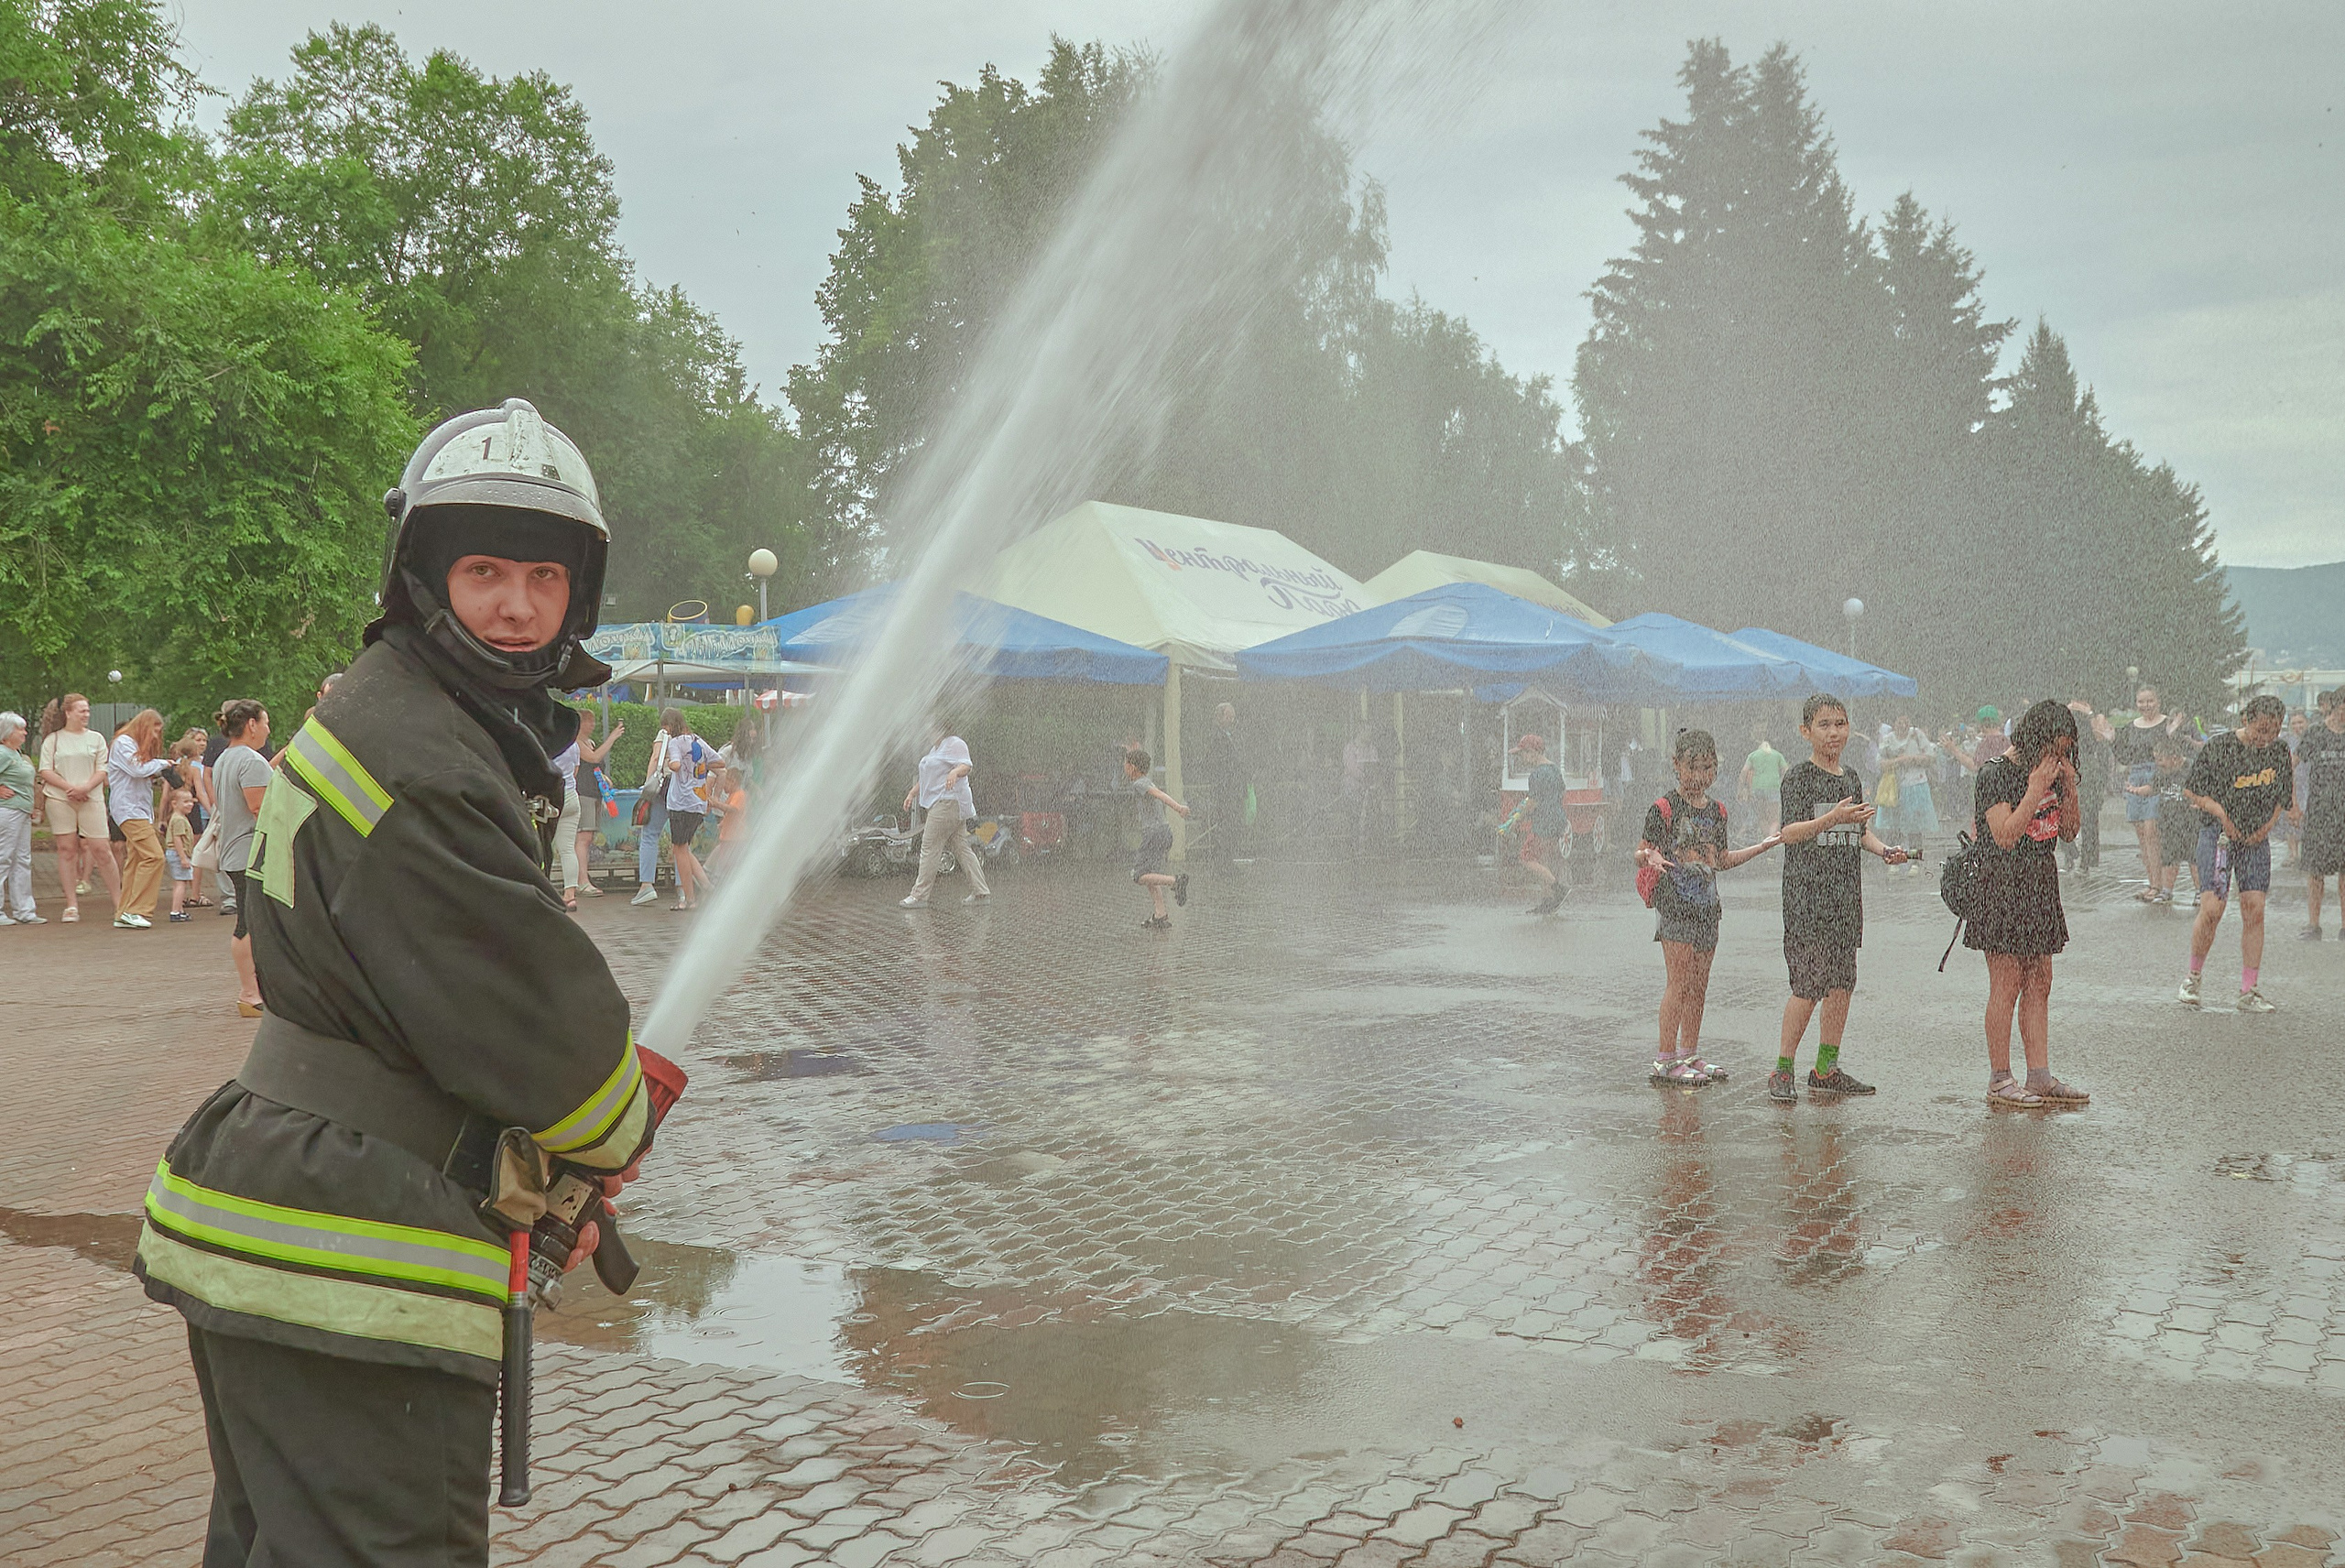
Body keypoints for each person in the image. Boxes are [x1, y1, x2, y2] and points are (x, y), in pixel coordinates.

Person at [135, 397, 659, 1567]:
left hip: (280, 1214)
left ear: (580, 591)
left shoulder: (392, 713)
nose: (516, 603)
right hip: (353, 1265)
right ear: (422, 574)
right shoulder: (422, 758)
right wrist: (612, 1133)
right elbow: (557, 1044)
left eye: (541, 575)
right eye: (482, 569)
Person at [1771, 694, 1912, 1104]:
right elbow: (1789, 833)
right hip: (1806, 899)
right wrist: (1833, 817)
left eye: (1841, 724)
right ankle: (1782, 1071)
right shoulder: (1797, 778)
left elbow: (1858, 831)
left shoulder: (1850, 778)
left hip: (1845, 897)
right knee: (1808, 987)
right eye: (1825, 725)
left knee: (1841, 985)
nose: (1834, 732)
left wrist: (1884, 850)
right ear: (1805, 731)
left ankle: (1825, 1069)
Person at [1634, 728, 1782, 1087]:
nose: (1700, 777)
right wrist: (1649, 857)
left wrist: (1762, 846)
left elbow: (1721, 861)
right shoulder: (1663, 809)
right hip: (1676, 906)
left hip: (1707, 908)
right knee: (1678, 984)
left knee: (1699, 986)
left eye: (1708, 768)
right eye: (1692, 767)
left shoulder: (1718, 811)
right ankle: (1665, 1059)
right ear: (1677, 765)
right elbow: (1640, 854)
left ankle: (1690, 1053)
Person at [1969, 700, 2086, 1106]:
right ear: (2034, 741)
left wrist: (2067, 785)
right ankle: (2000, 1079)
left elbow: (2069, 832)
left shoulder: (2053, 772)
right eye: (2054, 749)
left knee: (2040, 982)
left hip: (2040, 883)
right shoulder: (1995, 775)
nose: (2058, 758)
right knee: (2007, 984)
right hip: (2001, 885)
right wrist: (2035, 788)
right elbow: (2004, 835)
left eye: (2065, 751)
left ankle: (2039, 1076)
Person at [2178, 694, 2296, 1013]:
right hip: (2218, 835)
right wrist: (2222, 815)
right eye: (2260, 730)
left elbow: (2283, 796)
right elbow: (2192, 790)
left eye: (2272, 731)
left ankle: (2249, 989)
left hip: (2255, 838)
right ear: (2246, 720)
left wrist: (2267, 827)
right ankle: (2193, 977)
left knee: (2254, 907)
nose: (2265, 738)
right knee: (2213, 908)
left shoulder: (2279, 751)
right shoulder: (2220, 747)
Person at [210, 700, 273, 1016]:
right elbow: (260, 808)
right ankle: (250, 993)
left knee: (250, 922)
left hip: (234, 852)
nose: (267, 729)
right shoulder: (251, 760)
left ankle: (256, 989)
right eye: (265, 722)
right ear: (251, 725)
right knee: (249, 924)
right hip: (252, 854)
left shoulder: (225, 758)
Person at [36, 691, 118, 922]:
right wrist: (69, 788)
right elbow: (45, 770)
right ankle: (71, 904)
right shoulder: (53, 740)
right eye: (82, 710)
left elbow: (102, 768)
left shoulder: (96, 738)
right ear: (68, 712)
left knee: (102, 848)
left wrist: (86, 788)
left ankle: (120, 903)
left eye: (88, 710)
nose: (86, 714)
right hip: (60, 799)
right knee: (66, 849)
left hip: (90, 799)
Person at [900, 724, 993, 909]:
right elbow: (926, 778)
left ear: (942, 729)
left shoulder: (954, 743)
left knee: (929, 845)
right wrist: (912, 794)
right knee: (961, 848)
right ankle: (981, 892)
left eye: (931, 729)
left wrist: (954, 772)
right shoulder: (935, 749)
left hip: (948, 802)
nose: (928, 733)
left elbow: (966, 765)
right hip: (944, 803)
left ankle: (919, 896)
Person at [2111, 685, 2188, 903]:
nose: (2146, 706)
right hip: (2136, 777)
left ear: (2159, 701)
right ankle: (2152, 883)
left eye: (2150, 701)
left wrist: (2173, 735)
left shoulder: (2167, 724)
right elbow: (2124, 756)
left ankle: (2162, 885)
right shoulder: (2130, 727)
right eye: (2141, 702)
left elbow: (2178, 753)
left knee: (2152, 830)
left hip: (2159, 776)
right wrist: (2111, 740)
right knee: (2142, 836)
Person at [106, 708, 175, 931]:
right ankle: (137, 910)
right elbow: (136, 770)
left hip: (138, 810)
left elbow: (140, 771)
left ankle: (123, 911)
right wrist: (164, 764)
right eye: (153, 731)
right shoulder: (124, 743)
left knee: (136, 860)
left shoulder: (131, 745)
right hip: (129, 809)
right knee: (154, 857)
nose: (155, 736)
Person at [1501, 734, 1571, 915]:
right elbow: (1560, 791)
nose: (1522, 759)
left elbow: (1532, 802)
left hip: (1543, 823)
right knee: (1541, 860)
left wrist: (1515, 820)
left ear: (1533, 752)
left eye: (1523, 754)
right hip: (1558, 820)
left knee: (1526, 858)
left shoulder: (1537, 775)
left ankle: (1558, 888)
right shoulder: (1555, 770)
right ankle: (1548, 901)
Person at [1124, 746, 1190, 929]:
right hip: (1163, 832)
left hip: (1153, 834)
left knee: (1139, 876)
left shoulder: (1140, 784)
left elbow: (1159, 795)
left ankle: (1175, 881)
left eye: (1126, 764)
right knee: (1151, 874)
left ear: (1133, 768)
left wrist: (1178, 808)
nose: (1124, 767)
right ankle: (1160, 915)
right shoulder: (1147, 781)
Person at [657, 708, 714, 911]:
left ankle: (690, 899)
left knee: (678, 849)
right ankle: (706, 886)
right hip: (697, 803)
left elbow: (675, 764)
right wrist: (708, 792)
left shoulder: (674, 742)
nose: (664, 730)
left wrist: (671, 763)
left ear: (670, 725)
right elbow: (719, 763)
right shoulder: (697, 740)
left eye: (664, 726)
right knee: (683, 848)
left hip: (680, 803)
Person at [2299, 690, 2345, 940]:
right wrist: (2291, 803)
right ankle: (2313, 924)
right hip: (2319, 811)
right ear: (2335, 707)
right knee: (2315, 871)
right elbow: (2293, 763)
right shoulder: (2316, 734)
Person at [1875, 714, 1939, 870]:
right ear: (1894, 723)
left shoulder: (1917, 735)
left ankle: (1915, 861)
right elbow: (1879, 763)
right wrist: (1897, 761)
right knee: (1893, 827)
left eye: (1905, 720)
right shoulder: (1888, 739)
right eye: (1899, 721)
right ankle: (1894, 862)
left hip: (1916, 785)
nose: (1902, 724)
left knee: (1914, 827)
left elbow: (1931, 756)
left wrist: (1913, 758)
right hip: (1894, 789)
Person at [570, 709, 622, 897]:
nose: (592, 725)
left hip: (594, 793)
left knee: (588, 837)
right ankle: (582, 880)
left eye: (593, 721)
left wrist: (604, 779)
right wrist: (612, 738)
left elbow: (594, 765)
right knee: (583, 837)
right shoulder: (576, 743)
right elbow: (593, 758)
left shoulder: (590, 743)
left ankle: (582, 876)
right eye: (588, 721)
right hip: (583, 793)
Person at [0, 712, 42, 924]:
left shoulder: (16, 754)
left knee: (22, 859)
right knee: (3, 858)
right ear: (7, 733)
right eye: (20, 729)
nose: (25, 733)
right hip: (8, 812)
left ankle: (24, 910)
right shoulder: (3, 753)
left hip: (22, 812)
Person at [2065, 701, 2113, 875]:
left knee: (2088, 820)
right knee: (2065, 817)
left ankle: (2084, 861)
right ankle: (2072, 856)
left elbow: (2100, 739)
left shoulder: (2092, 721)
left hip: (2088, 776)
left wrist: (2089, 714)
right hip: (2070, 774)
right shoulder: (2064, 724)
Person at [629, 713, 672, 907]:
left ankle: (646, 885)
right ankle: (683, 889)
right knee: (681, 842)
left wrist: (648, 785)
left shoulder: (664, 734)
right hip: (683, 790)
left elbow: (656, 758)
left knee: (650, 834)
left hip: (663, 789)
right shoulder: (689, 737)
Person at [548, 706, 584, 912]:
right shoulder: (575, 746)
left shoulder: (550, 744)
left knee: (545, 845)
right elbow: (575, 771)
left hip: (553, 797)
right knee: (567, 848)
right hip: (572, 795)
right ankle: (570, 895)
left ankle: (545, 891)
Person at [1738, 726, 1786, 840]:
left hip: (1757, 789)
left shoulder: (1753, 755)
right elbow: (1786, 770)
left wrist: (1741, 788)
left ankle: (1766, 842)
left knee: (1762, 818)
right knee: (1774, 819)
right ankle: (1771, 840)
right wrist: (1781, 781)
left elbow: (1744, 772)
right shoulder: (1777, 755)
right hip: (1774, 787)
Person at [709, 767, 750, 883]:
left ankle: (727, 881)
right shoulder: (732, 795)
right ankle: (720, 879)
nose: (723, 788)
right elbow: (729, 816)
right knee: (725, 862)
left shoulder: (739, 794)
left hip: (735, 837)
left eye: (725, 783)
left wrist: (717, 804)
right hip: (728, 837)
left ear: (733, 781)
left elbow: (733, 810)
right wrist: (722, 824)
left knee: (731, 863)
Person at [163, 788, 199, 921]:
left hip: (178, 854)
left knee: (179, 882)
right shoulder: (178, 820)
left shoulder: (180, 818)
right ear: (174, 804)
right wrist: (183, 858)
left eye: (191, 801)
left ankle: (180, 910)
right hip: (178, 855)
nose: (190, 804)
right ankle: (175, 911)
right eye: (185, 802)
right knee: (181, 883)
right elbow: (177, 839)